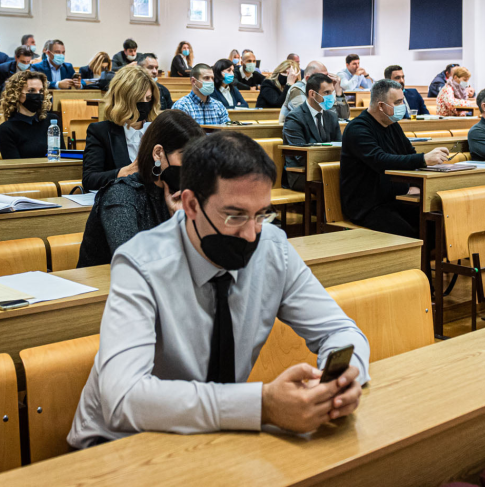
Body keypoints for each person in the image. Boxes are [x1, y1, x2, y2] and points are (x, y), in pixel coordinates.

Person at [67, 131, 369, 449]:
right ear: (191, 204)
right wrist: (262, 405)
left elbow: (341, 331)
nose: (251, 235)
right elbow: (123, 399)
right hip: (121, 442)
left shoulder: (272, 248)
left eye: (261, 215)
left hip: (217, 433)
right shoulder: (140, 262)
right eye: (234, 216)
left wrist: (341, 381)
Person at [77, 110, 205, 268]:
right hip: (107, 287)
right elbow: (133, 262)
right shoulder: (121, 195)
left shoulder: (183, 194)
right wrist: (177, 225)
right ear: (158, 153)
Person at [340, 80, 450, 237]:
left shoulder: (392, 124)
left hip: (396, 198)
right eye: (398, 102)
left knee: (438, 222)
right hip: (368, 206)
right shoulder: (357, 129)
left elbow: (408, 154)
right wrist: (424, 159)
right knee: (409, 233)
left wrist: (415, 183)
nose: (402, 106)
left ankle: (427, 261)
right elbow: (381, 161)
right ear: (380, 106)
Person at [83, 67, 158, 192]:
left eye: (148, 99)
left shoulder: (157, 130)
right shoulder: (100, 131)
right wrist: (124, 172)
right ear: (124, 101)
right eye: (139, 99)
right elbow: (90, 180)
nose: (145, 104)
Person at [283, 73, 343, 191]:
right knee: (333, 185)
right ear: (312, 94)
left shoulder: (331, 117)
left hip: (327, 170)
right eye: (326, 93)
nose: (331, 97)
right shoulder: (295, 118)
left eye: (332, 92)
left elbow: (339, 147)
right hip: (302, 173)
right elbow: (300, 155)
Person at [0, 70, 53, 160]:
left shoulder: (52, 121)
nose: (38, 95)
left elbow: (63, 157)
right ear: (17, 94)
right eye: (31, 90)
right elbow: (14, 165)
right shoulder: (7, 129)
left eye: (41, 91)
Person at [279, 61, 349, 122]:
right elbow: (309, 117)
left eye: (327, 75)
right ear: (308, 78)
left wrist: (338, 91)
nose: (326, 79)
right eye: (322, 77)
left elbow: (344, 116)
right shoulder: (297, 89)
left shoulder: (325, 89)